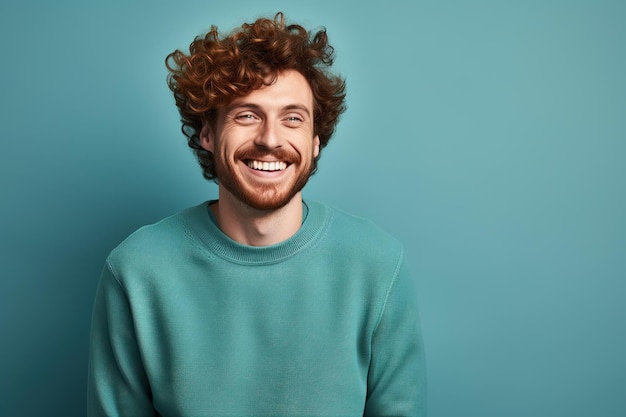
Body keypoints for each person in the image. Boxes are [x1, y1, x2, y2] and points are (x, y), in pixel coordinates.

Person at [87, 12, 427, 416]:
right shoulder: (136, 271)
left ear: (316, 141)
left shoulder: (378, 265)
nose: (270, 138)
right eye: (246, 115)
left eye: (293, 118)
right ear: (208, 134)